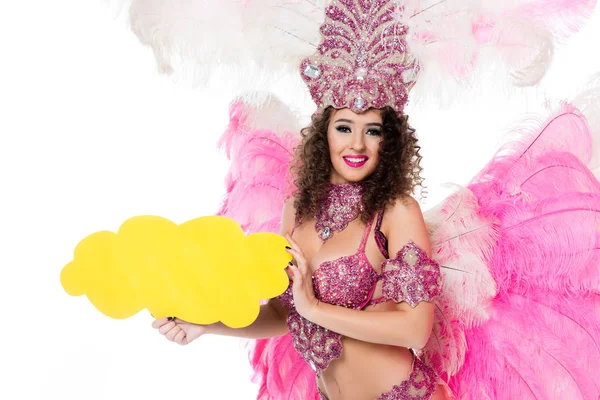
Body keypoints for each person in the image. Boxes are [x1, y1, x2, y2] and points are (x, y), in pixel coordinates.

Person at [153, 104, 452, 399]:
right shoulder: (296, 211)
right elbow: (283, 312)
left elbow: (415, 329)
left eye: (372, 131)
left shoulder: (397, 210)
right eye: (344, 127)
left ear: (388, 141)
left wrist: (315, 309)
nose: (358, 144)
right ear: (325, 134)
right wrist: (205, 324)